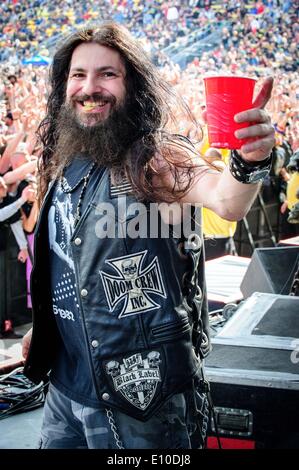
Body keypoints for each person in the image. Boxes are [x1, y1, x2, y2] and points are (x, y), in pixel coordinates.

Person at [22, 22, 275, 449]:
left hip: (139, 399)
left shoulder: (154, 156)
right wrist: (49, 328)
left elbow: (227, 200)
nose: (90, 87)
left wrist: (250, 160)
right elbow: (69, 262)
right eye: (78, 74)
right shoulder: (65, 156)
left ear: (132, 84)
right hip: (65, 387)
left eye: (108, 74)